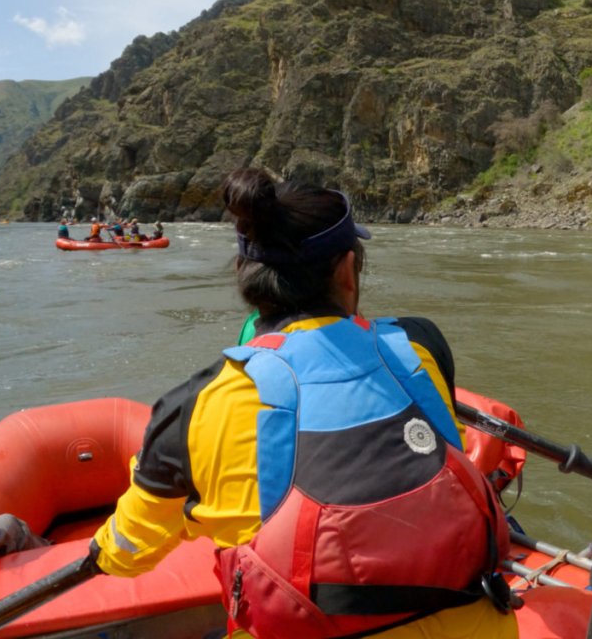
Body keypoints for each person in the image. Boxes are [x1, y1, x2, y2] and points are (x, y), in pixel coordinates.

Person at [89, 168, 518, 639]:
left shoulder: (193, 405)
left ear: (244, 276)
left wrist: (112, 549)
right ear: (346, 271)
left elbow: (128, 553)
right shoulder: (421, 345)